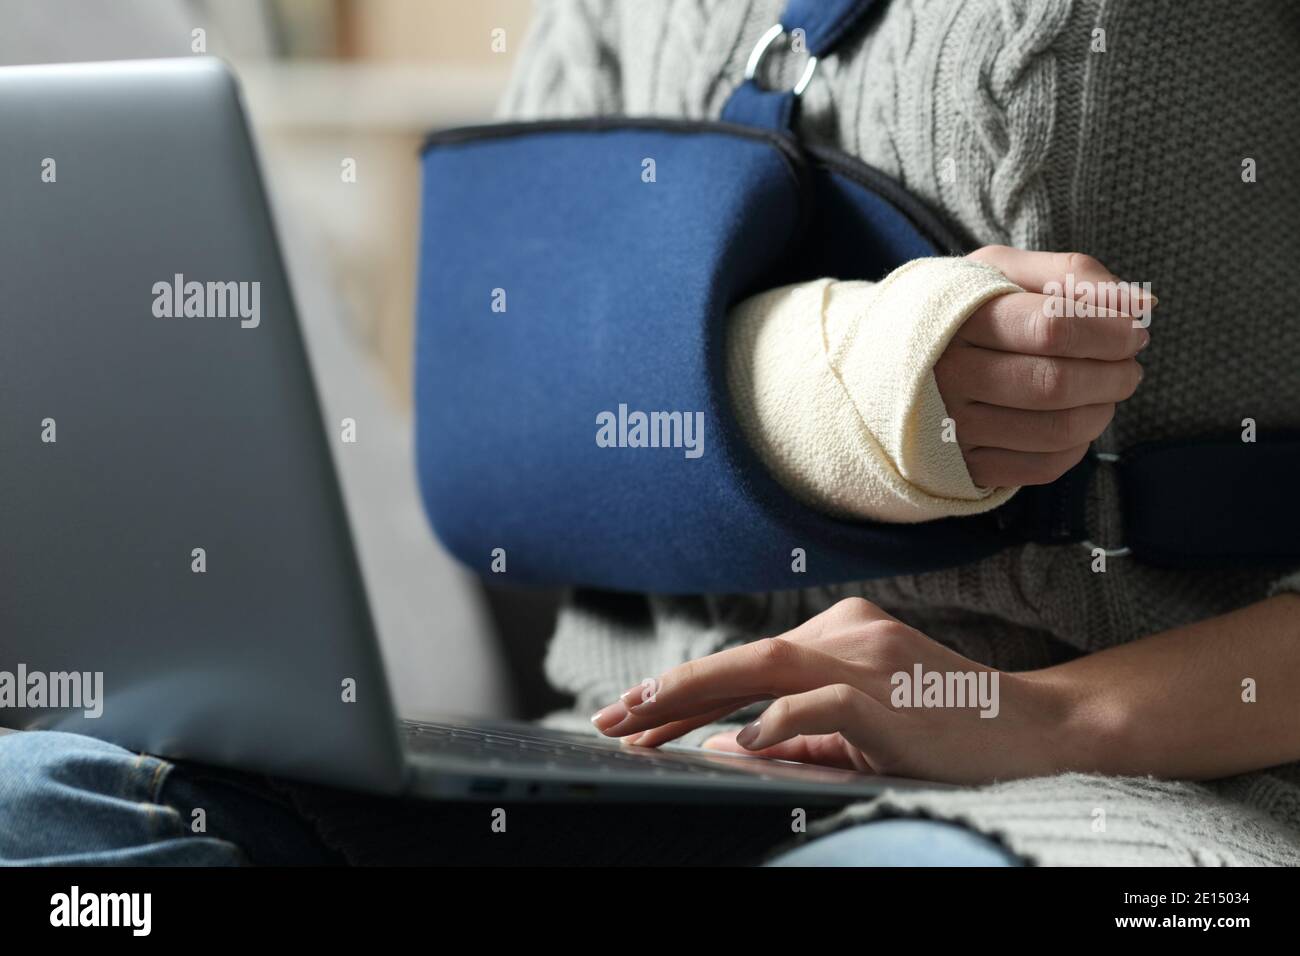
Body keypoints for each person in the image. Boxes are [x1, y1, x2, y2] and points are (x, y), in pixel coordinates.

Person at [4, 0, 1300, 866]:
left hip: (1109, 788)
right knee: (42, 807)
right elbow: (493, 421)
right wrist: (797, 393)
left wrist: (1042, 716)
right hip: (632, 755)